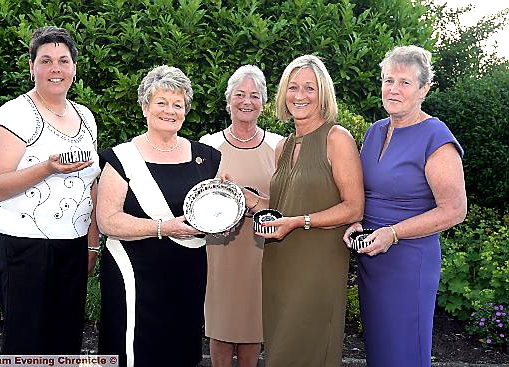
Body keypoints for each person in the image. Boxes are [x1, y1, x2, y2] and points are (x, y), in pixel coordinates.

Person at [233, 55, 364, 366]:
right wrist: (242, 196)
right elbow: (280, 208)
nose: (300, 95)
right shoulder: (284, 146)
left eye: (310, 88)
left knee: (307, 347)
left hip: (317, 265)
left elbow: (354, 207)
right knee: (279, 350)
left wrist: (298, 222)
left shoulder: (337, 138)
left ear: (323, 94)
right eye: (293, 87)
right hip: (279, 264)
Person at [342, 45, 467, 367]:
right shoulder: (375, 130)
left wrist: (394, 233)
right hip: (373, 255)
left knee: (405, 349)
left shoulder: (435, 137)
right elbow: (364, 191)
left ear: (424, 89)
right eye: (388, 80)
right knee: (380, 347)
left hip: (409, 261)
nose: (393, 89)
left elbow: (454, 209)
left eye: (405, 82)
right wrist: (355, 220)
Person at [0, 26, 100, 354]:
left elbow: (90, 184)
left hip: (74, 246)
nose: (55, 69)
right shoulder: (14, 114)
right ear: (32, 66)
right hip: (25, 246)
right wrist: (46, 168)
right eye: (46, 60)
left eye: (63, 61)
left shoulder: (85, 116)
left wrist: (92, 245)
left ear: (74, 68)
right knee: (26, 341)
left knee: (65, 340)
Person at [96, 65, 221, 367]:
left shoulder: (206, 157)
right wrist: (164, 227)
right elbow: (107, 220)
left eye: (177, 104)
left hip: (187, 274)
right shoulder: (121, 158)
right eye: (161, 102)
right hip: (134, 274)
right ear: (145, 107)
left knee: (181, 347)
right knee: (135, 349)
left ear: (186, 111)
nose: (170, 110)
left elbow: (211, 213)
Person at [200, 65, 282, 367]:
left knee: (253, 324)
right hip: (219, 249)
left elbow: (288, 203)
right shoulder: (208, 147)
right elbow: (196, 200)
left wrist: (254, 201)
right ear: (228, 100)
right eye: (240, 94)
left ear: (263, 103)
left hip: (262, 250)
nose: (247, 101)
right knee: (220, 325)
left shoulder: (279, 146)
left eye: (255, 95)